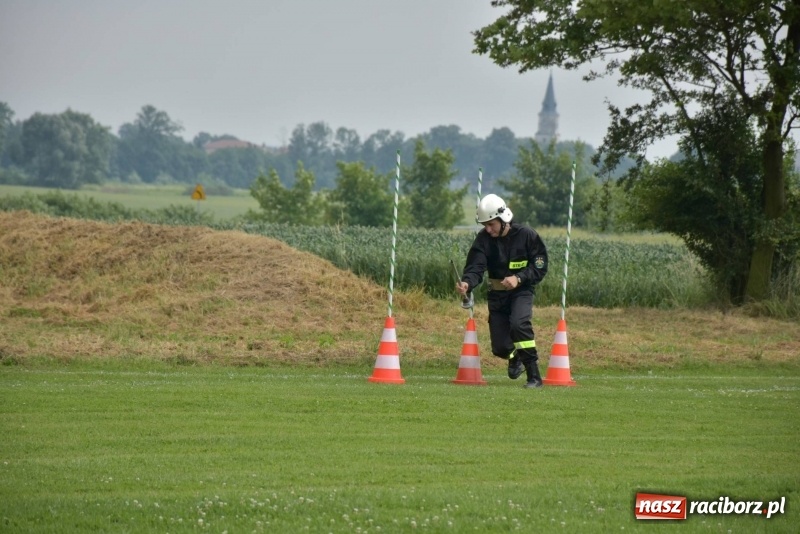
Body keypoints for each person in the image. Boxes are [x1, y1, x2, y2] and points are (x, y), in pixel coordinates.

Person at [455, 194, 548, 388]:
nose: (488, 230)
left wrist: (519, 278)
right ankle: (515, 357)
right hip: (497, 296)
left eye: (491, 225)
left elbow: (539, 266)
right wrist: (467, 283)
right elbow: (475, 267)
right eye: (485, 225)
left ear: (504, 219)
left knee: (519, 324)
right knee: (499, 348)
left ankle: (534, 376)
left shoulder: (527, 235)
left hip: (521, 292)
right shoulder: (483, 240)